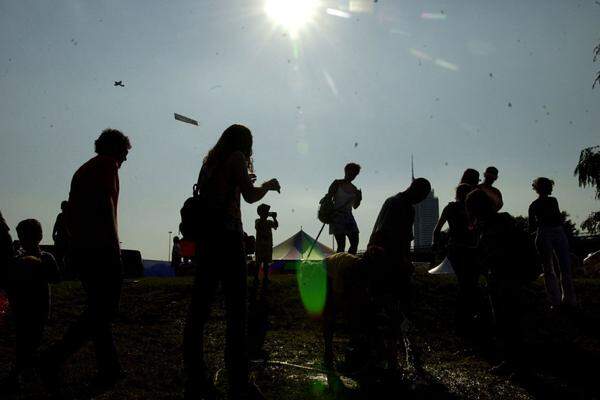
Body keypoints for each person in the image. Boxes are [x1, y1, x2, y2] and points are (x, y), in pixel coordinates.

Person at [184, 124, 280, 400]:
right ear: (244, 142)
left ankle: (195, 374)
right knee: (237, 310)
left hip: (206, 240)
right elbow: (250, 196)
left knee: (199, 309)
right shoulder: (237, 157)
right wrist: (268, 186)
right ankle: (238, 380)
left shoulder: (209, 163)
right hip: (227, 238)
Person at [41, 128, 131, 395]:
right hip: (100, 248)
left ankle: (109, 367)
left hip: (83, 247)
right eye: (125, 152)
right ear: (117, 149)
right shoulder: (107, 165)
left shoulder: (84, 169)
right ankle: (55, 356)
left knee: (98, 308)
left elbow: (72, 211)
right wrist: (113, 247)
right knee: (103, 310)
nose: (126, 158)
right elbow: (105, 206)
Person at [466, 189, 532, 375]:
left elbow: (494, 250)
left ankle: (514, 362)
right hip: (503, 276)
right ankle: (514, 361)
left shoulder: (495, 224)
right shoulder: (497, 222)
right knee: (508, 320)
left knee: (508, 320)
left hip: (505, 276)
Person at [368, 177, 431, 371]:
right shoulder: (398, 205)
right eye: (421, 196)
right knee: (390, 309)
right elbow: (386, 235)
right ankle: (390, 354)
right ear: (414, 190)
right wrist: (400, 259)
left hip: (392, 261)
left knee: (392, 309)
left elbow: (404, 239)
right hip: (386, 262)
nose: (421, 200)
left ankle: (389, 352)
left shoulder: (401, 204)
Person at [2, 219, 59, 392]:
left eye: (24, 236)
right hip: (23, 308)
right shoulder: (19, 259)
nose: (22, 240)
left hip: (37, 308)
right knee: (24, 342)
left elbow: (56, 277)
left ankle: (24, 371)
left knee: (31, 340)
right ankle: (21, 372)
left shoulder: (45, 258)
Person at [432, 183, 479, 336]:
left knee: (465, 283)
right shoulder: (469, 208)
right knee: (469, 283)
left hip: (458, 247)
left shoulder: (451, 208)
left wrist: (436, 245)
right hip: (466, 248)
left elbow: (437, 229)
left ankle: (463, 319)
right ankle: (466, 318)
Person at [528, 177, 576, 309]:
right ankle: (565, 300)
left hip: (550, 231)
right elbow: (555, 218)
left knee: (554, 267)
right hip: (550, 232)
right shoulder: (546, 202)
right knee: (556, 267)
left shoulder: (535, 205)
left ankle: (559, 300)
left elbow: (532, 226)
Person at [327, 163, 362, 254]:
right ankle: (340, 264)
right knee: (341, 245)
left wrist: (359, 198)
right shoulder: (337, 183)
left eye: (355, 174)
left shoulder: (354, 189)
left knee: (355, 242)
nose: (352, 176)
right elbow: (328, 198)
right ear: (345, 171)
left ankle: (349, 263)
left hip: (349, 216)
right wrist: (327, 212)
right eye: (351, 173)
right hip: (337, 216)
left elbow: (355, 206)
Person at [254, 204, 278, 285]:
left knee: (266, 263)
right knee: (258, 263)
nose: (267, 213)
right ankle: (256, 278)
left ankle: (265, 278)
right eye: (266, 211)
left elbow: (276, 226)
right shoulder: (258, 221)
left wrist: (274, 218)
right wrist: (267, 216)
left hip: (267, 246)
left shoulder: (269, 222)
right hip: (260, 246)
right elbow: (258, 226)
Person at [52, 201, 69, 275]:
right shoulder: (60, 216)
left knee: (64, 257)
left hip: (65, 239)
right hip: (61, 238)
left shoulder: (68, 216)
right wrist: (53, 234)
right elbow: (56, 226)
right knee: (59, 257)